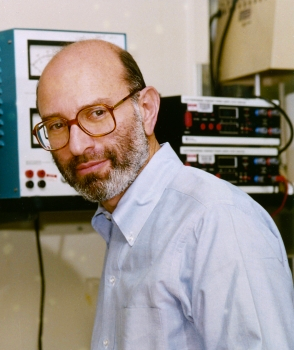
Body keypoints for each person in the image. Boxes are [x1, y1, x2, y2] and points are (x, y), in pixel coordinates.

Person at [35, 39, 294, 349]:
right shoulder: (121, 222)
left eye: (97, 113)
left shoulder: (217, 221)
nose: (77, 146)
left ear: (146, 109)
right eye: (57, 124)